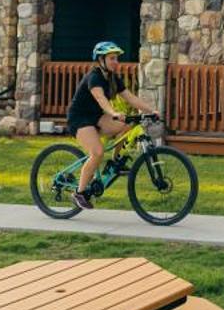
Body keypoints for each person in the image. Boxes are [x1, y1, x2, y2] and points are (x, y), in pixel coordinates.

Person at [67, 40, 160, 209]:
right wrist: (114, 113)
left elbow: (130, 97)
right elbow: (101, 99)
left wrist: (150, 110)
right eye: (112, 58)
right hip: (79, 119)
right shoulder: (94, 77)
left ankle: (115, 161)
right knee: (97, 152)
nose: (116, 62)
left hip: (97, 117)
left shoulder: (113, 78)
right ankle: (79, 193)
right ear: (101, 60)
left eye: (116, 58)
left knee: (127, 125)